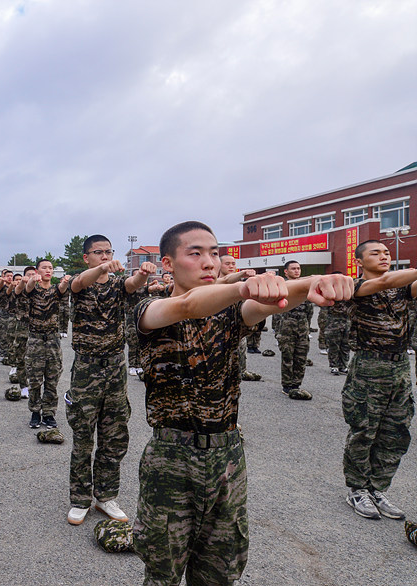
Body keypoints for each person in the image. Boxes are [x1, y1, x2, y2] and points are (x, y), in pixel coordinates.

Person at [133, 221, 352, 585]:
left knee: (221, 570)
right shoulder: (149, 309)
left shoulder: (232, 312)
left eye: (215, 253)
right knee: (162, 572)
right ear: (167, 264)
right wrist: (242, 287)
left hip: (227, 457)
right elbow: (188, 305)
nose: (209, 262)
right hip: (171, 458)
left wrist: (311, 283)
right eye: (195, 253)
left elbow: (268, 304)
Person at [65, 235, 155, 526]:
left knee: (114, 436)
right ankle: (80, 500)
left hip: (115, 369)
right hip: (87, 370)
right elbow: (79, 283)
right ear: (86, 257)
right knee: (82, 437)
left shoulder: (117, 284)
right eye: (98, 253)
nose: (104, 257)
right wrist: (103, 269)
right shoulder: (78, 282)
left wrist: (141, 274)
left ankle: (106, 496)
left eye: (108, 252)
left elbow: (130, 285)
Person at [343, 240, 416, 521]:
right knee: (364, 430)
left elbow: (402, 283)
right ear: (359, 261)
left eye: (387, 252)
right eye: (376, 252)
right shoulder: (355, 287)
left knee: (396, 431)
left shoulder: (402, 289)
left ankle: (377, 488)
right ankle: (357, 488)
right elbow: (384, 281)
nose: (384, 256)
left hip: (399, 367)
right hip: (368, 367)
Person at [18, 260, 70, 429]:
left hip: (53, 339)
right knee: (34, 378)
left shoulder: (56, 289)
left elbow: (62, 290)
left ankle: (48, 413)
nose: (48, 270)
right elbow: (27, 289)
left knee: (52, 379)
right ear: (37, 270)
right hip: (35, 339)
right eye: (44, 268)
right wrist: (33, 279)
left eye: (50, 268)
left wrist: (64, 283)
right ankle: (35, 411)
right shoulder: (33, 289)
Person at [217, 255, 262, 383]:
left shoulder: (242, 284)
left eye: (233, 264)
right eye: (227, 264)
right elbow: (225, 280)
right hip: (219, 326)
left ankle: (241, 372)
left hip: (237, 325)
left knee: (240, 351)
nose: (231, 266)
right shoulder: (214, 282)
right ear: (219, 265)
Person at [274, 261, 313, 400]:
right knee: (288, 356)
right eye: (293, 269)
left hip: (302, 327)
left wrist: (306, 327)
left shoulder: (305, 288)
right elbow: (275, 311)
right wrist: (277, 331)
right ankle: (287, 385)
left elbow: (309, 311)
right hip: (286, 327)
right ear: (286, 272)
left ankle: (296, 384)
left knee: (301, 357)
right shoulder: (282, 287)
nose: (297, 271)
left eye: (298, 268)